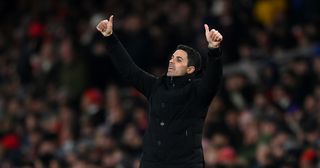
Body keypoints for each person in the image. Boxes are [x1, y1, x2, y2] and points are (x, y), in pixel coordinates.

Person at [96, 15, 223, 168]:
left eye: (179, 60)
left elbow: (213, 79)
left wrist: (214, 50)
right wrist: (110, 37)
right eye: (172, 57)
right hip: (152, 163)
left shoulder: (198, 91)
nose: (171, 61)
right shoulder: (156, 86)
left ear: (190, 69)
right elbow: (129, 70)